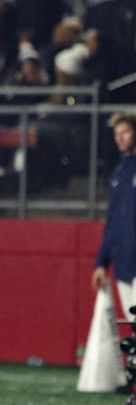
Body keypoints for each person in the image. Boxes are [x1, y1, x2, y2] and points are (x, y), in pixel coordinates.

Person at [91, 112, 136, 321]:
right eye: (117, 134)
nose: (120, 138)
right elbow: (113, 222)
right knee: (132, 324)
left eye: (125, 132)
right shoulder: (119, 173)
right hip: (123, 265)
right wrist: (101, 263)